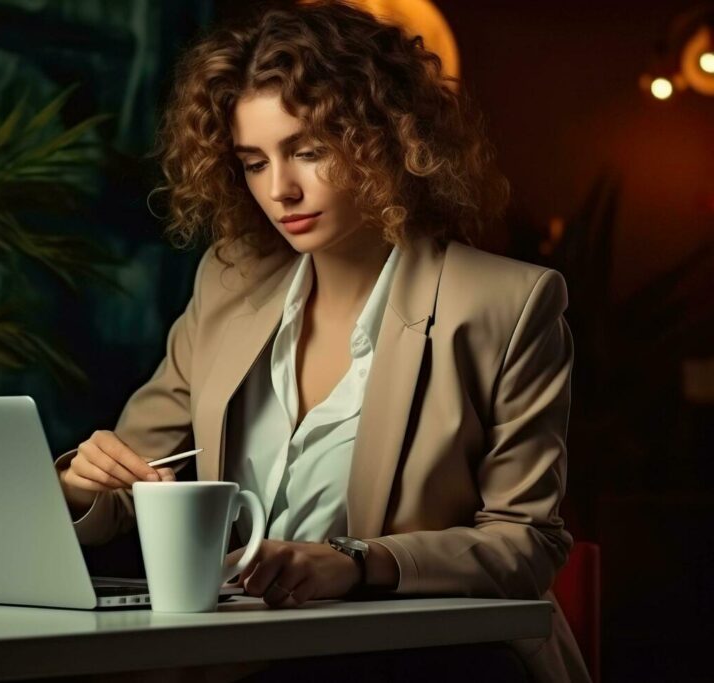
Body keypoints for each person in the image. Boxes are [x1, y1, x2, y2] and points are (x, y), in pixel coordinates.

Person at [54, 1, 589, 681]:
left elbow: (526, 542)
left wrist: (358, 560)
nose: (280, 189)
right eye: (253, 161)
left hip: (431, 658)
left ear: (385, 138)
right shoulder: (228, 284)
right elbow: (132, 477)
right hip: (237, 655)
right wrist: (82, 484)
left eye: (308, 151)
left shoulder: (504, 304)